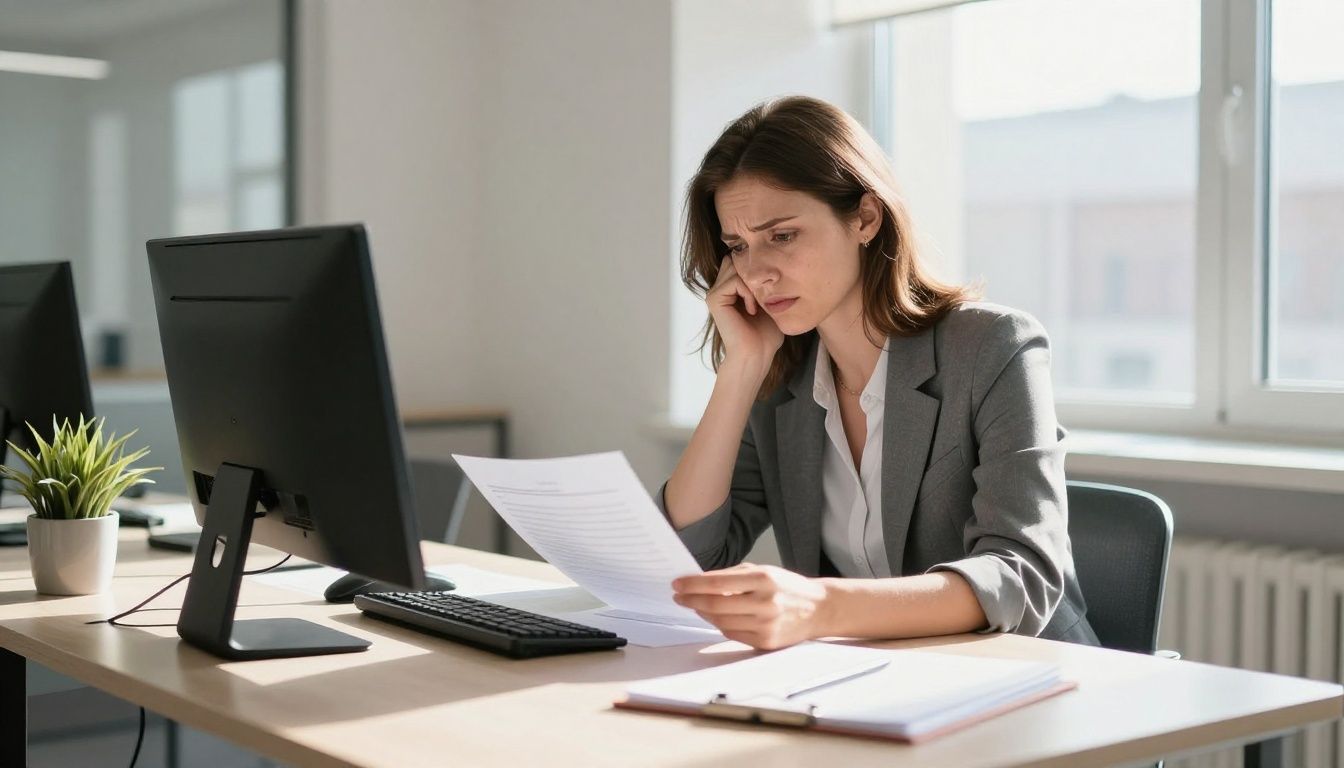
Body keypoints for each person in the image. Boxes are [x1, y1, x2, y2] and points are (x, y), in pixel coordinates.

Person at [661, 96, 1098, 651]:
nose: (757, 273)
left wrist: (821, 607)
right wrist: (741, 369)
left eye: (782, 235)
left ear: (865, 218)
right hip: (864, 684)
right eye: (738, 246)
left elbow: (1021, 576)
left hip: (1019, 678)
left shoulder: (994, 348)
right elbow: (689, 560)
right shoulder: (782, 379)